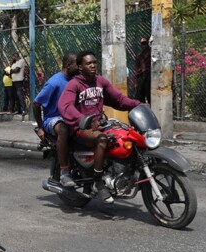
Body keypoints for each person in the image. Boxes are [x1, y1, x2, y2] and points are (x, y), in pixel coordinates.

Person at [58, 50, 141, 204]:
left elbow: (119, 99)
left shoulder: (100, 82)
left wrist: (138, 105)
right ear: (80, 66)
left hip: (100, 125)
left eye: (95, 62)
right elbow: (66, 106)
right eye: (89, 63)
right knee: (102, 140)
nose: (93, 65)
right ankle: (98, 182)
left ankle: (120, 173)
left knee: (124, 137)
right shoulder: (74, 84)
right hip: (81, 128)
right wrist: (84, 120)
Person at [33, 52, 79, 187]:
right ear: (68, 65)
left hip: (71, 116)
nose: (80, 67)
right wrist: (41, 127)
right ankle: (64, 172)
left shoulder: (76, 80)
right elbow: (36, 104)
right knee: (63, 129)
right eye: (78, 64)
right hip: (53, 119)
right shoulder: (54, 82)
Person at [134, 37, 151, 104]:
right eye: (142, 44)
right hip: (141, 76)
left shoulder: (150, 54)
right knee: (140, 95)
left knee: (149, 94)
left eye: (145, 44)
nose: (143, 46)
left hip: (148, 76)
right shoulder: (140, 56)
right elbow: (137, 68)